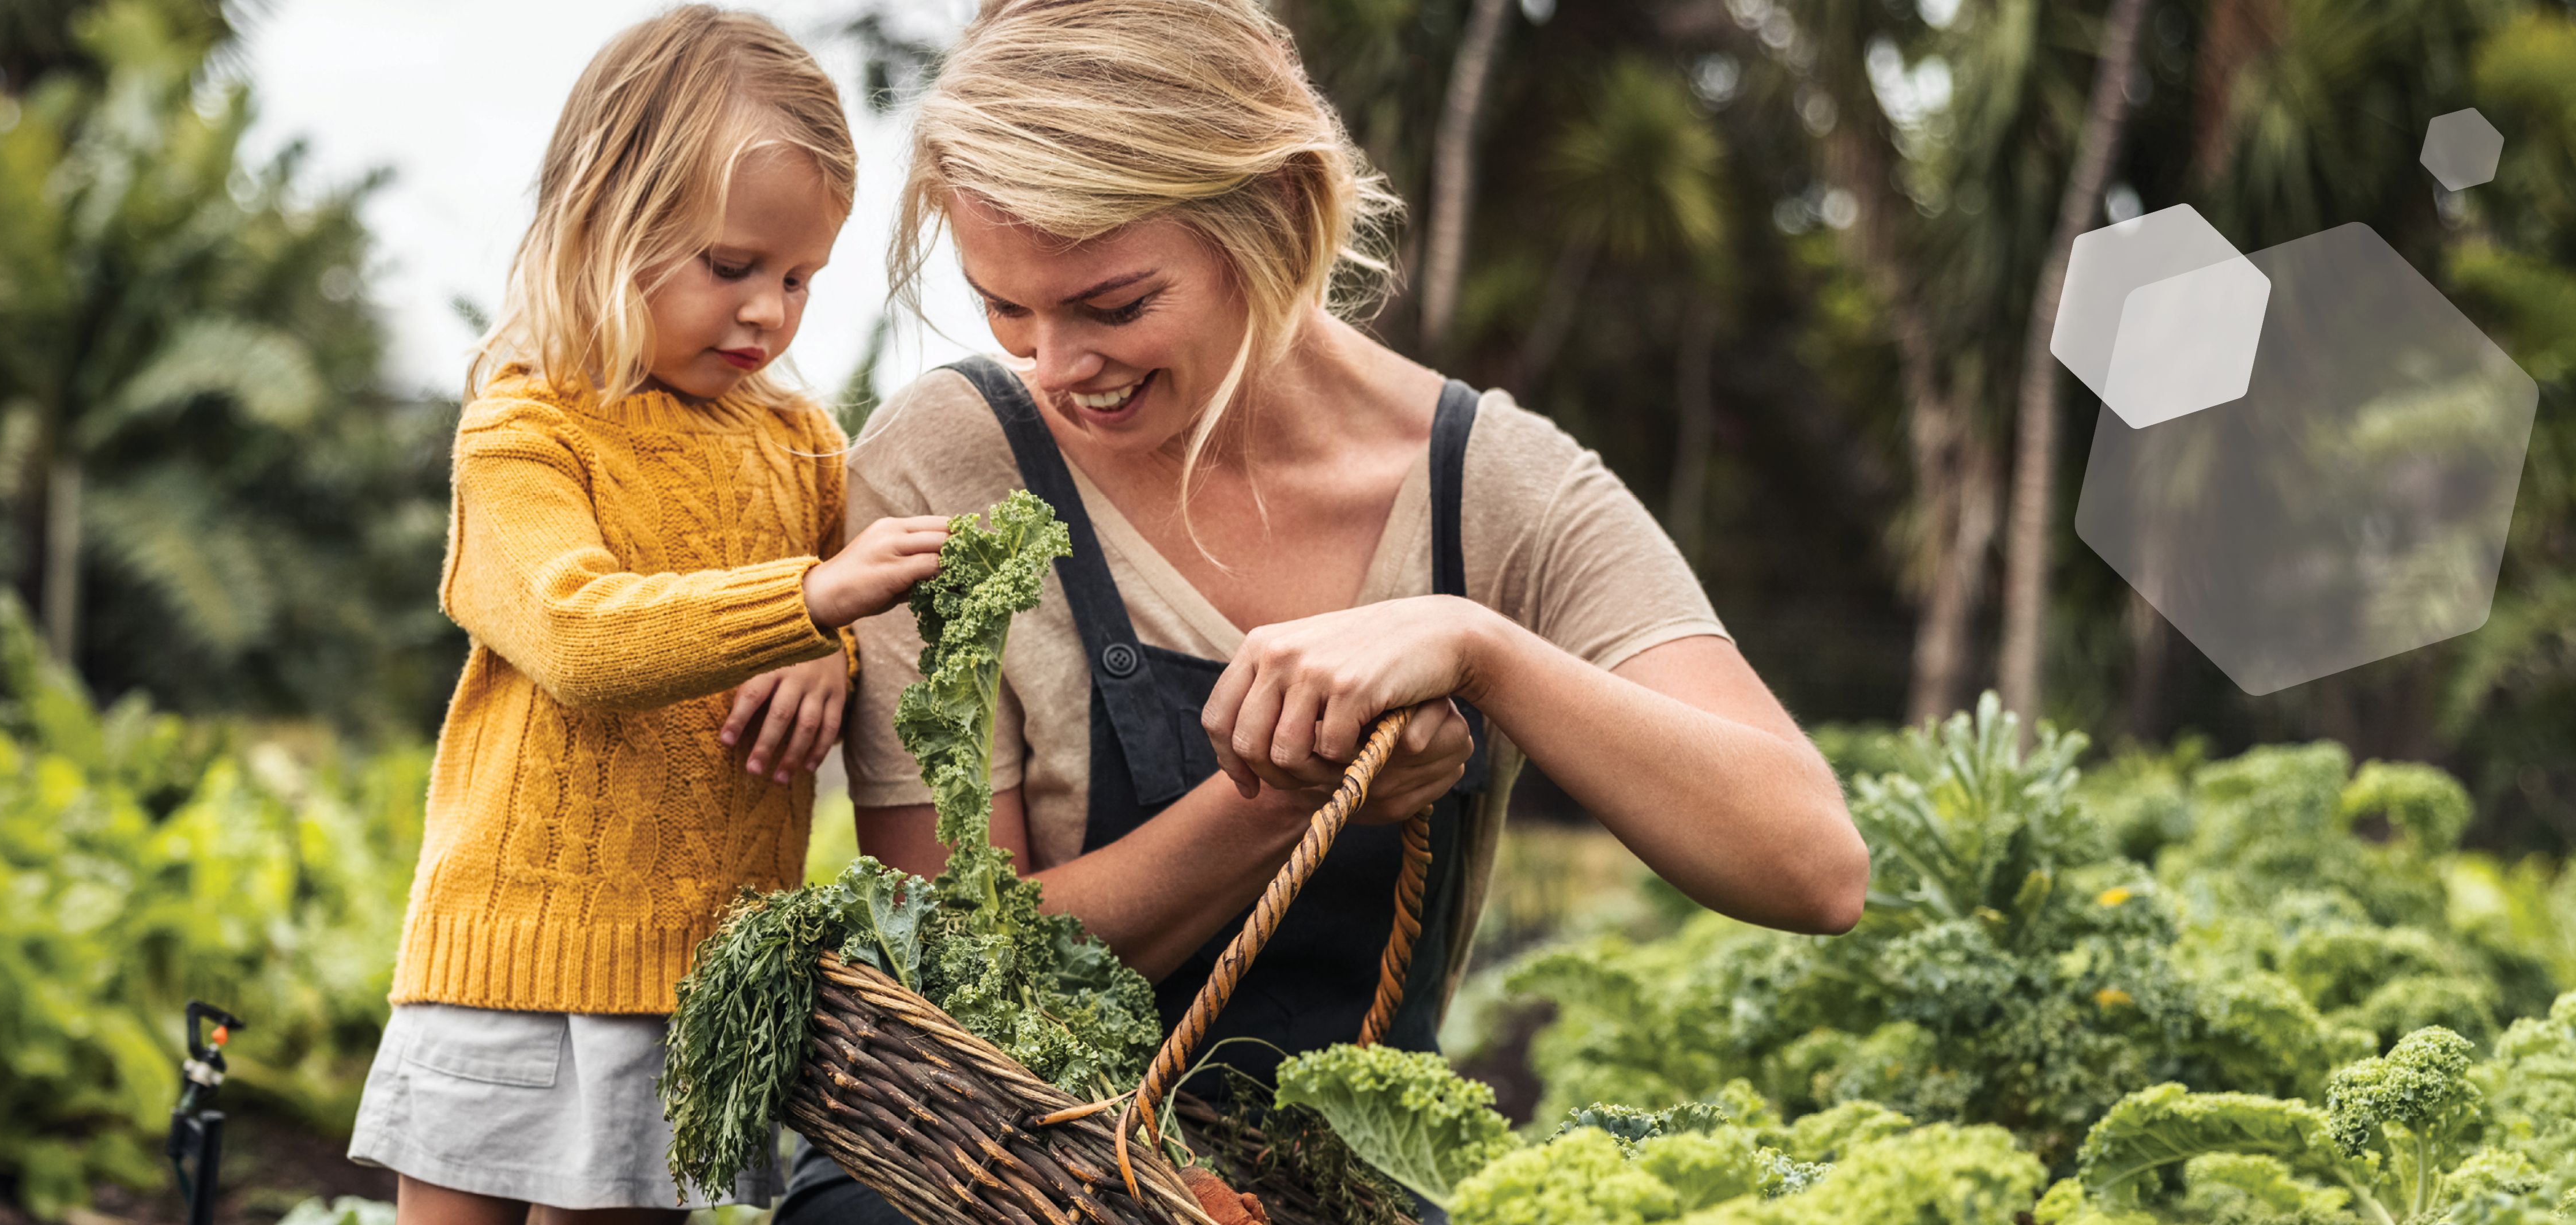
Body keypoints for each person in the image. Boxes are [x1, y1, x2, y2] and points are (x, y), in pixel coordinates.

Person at [787, 0, 1869, 1219]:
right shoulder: (950, 460)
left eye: (1115, 304)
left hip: (1325, 1183)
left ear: (1280, 217)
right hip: (979, 1167)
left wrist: (1481, 648)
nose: (1054, 365)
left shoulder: (1492, 488)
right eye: (1005, 308)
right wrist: (1282, 796)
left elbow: (1808, 864)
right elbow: (951, 979)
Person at [345, 9, 959, 1224]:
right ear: (603, 223)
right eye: (731, 268)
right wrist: (811, 600)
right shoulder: (525, 427)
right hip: (506, 970)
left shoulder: (800, 446)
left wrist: (830, 649)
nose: (768, 315)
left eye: (798, 280)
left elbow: (849, 628)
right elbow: (579, 633)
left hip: (695, 983)